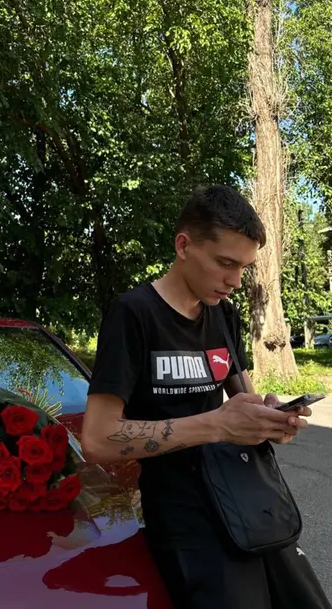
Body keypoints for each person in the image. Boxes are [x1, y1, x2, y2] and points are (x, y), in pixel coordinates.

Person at [81, 185, 331, 609]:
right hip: (183, 515)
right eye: (225, 263)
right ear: (184, 246)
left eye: (244, 268)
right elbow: (97, 439)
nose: (235, 281)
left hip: (244, 497)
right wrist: (216, 424)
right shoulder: (133, 313)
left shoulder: (223, 314)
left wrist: (270, 417)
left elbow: (245, 401)